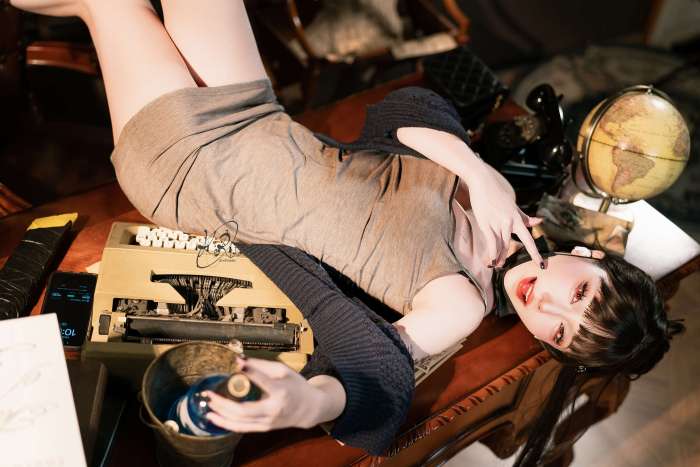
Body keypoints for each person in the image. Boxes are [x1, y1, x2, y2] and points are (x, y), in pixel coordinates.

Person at [10, 0, 685, 464]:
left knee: (114, 5)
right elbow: (403, 111)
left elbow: (379, 371)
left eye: (560, 333)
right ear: (588, 256)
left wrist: (305, 400)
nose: (549, 307)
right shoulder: (500, 205)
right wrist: (481, 175)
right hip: (256, 112)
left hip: (196, 167)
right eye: (581, 294)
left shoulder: (462, 302)